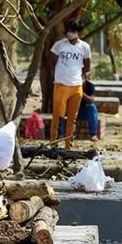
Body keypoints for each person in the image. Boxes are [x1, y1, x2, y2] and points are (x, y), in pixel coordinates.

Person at [49, 19, 91, 148]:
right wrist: (60, 72)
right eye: (68, 31)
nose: (69, 34)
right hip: (61, 85)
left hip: (76, 86)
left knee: (72, 118)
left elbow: (87, 66)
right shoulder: (59, 45)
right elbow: (51, 61)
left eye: (73, 31)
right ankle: (54, 143)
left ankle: (69, 144)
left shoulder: (84, 47)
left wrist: (78, 74)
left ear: (78, 32)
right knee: (58, 116)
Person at [58, 74, 100, 142]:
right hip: (71, 109)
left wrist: (81, 93)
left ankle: (93, 134)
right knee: (61, 108)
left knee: (92, 107)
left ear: (85, 79)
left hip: (83, 111)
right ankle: (61, 134)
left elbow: (91, 100)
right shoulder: (71, 86)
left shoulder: (90, 86)